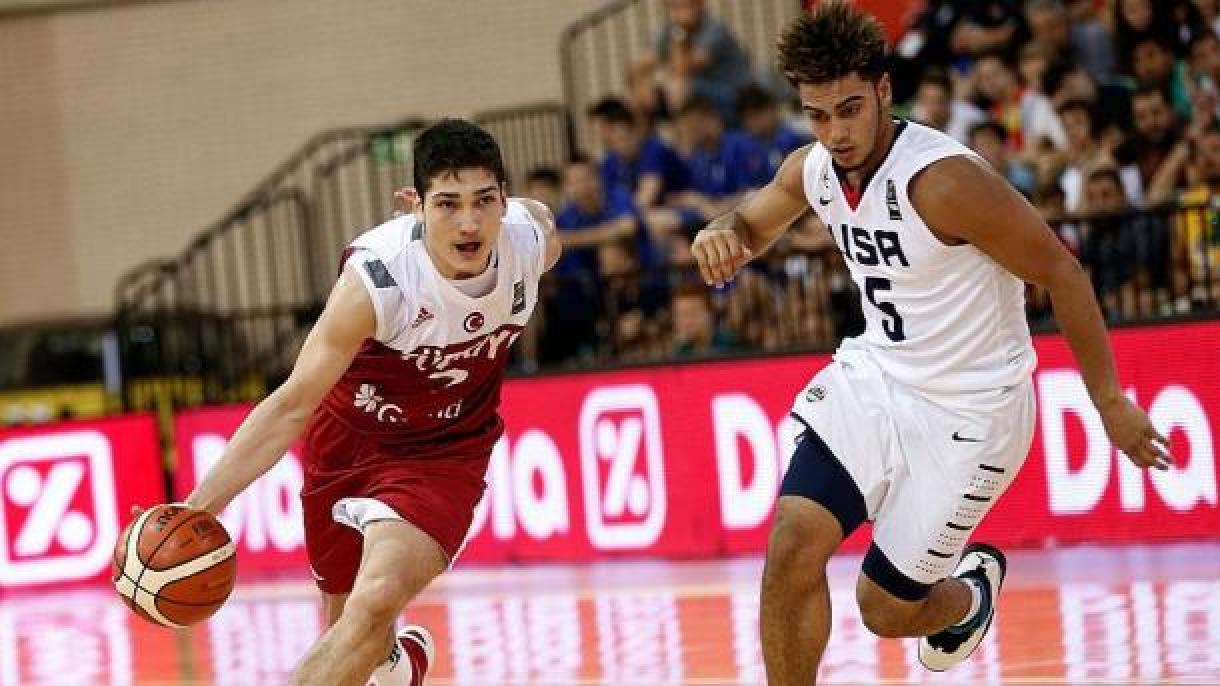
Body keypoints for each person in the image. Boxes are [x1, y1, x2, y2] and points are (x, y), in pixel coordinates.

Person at [690, 3, 1173, 683]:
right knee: (792, 546)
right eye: (818, 115)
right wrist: (720, 233)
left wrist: (1110, 400)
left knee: (883, 608)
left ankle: (970, 594)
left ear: (884, 90)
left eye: (850, 109)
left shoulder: (943, 183)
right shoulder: (816, 169)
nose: (835, 131)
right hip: (879, 380)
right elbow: (749, 222)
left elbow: (1062, 270)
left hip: (971, 411)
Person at [173, 119, 561, 686]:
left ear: (505, 200)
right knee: (352, 639)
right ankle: (395, 669)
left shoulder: (532, 239)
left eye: (485, 200)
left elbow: (543, 218)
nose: (470, 222)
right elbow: (290, 404)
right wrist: (198, 507)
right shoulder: (378, 283)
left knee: (374, 601)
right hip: (348, 443)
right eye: (447, 203)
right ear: (414, 206)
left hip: (444, 453)